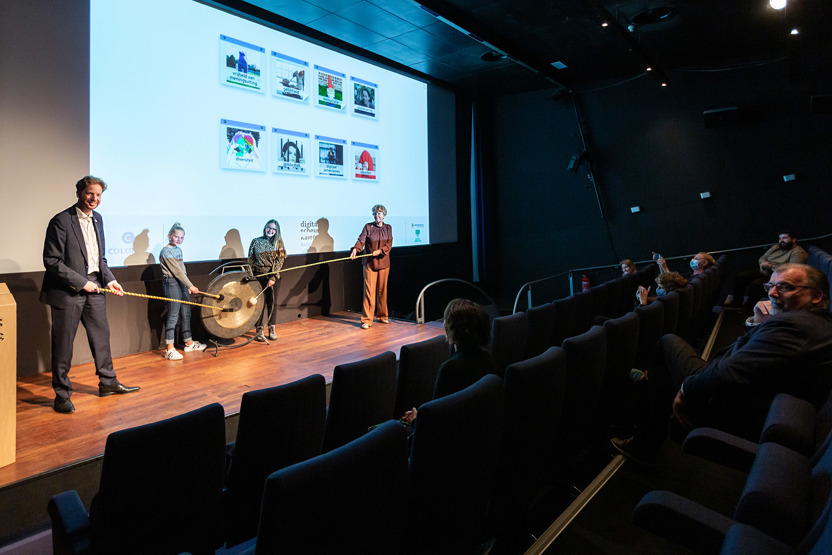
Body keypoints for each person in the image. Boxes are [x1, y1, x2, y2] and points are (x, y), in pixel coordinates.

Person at [612, 263, 832, 466]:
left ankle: (644, 443)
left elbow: (731, 369)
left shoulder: (794, 326)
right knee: (668, 351)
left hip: (732, 401)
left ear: (816, 296)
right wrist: (756, 323)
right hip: (759, 397)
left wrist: (686, 389)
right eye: (770, 286)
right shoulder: (815, 324)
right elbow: (754, 357)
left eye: (785, 287)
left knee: (667, 343)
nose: (772, 293)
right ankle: (651, 387)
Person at [40, 176, 140, 414]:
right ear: (78, 193)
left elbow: (99, 259)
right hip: (67, 291)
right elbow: (51, 261)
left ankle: (108, 383)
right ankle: (61, 395)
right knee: (63, 346)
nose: (94, 199)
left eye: (98, 195)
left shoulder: (98, 219)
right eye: (90, 194)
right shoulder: (61, 221)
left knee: (101, 338)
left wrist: (111, 280)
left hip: (95, 286)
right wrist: (81, 282)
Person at [401, 299, 497, 424]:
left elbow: (436, 420)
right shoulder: (488, 359)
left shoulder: (450, 369)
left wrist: (415, 420)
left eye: (447, 320)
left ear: (453, 328)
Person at [159, 222, 207, 360]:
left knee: (186, 313)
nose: (179, 240)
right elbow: (177, 272)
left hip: (182, 283)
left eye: (181, 238)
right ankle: (170, 349)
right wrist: (190, 285)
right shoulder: (166, 251)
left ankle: (189, 342)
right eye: (176, 237)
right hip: (172, 283)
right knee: (173, 315)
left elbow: (183, 270)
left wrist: (186, 285)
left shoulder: (179, 250)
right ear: (169, 236)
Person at [728, 232, 808, 311]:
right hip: (764, 270)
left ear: (793, 240)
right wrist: (763, 264)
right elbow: (762, 257)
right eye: (780, 238)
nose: (781, 240)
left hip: (778, 276)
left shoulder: (798, 252)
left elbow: (790, 270)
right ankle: (737, 303)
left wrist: (770, 266)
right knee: (740, 277)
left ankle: (748, 308)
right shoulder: (776, 247)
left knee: (756, 285)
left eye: (784, 238)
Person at [350, 204, 392, 329]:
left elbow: (389, 244)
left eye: (379, 213)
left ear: (384, 215)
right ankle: (367, 320)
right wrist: (355, 250)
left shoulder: (388, 228)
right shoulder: (368, 227)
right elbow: (361, 240)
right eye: (375, 213)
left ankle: (382, 316)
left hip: (384, 263)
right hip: (369, 263)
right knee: (369, 292)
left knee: (382, 291)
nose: (376, 215)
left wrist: (380, 251)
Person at [248, 219, 286, 341]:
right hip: (258, 276)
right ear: (265, 227)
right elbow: (250, 259)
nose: (271, 230)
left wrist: (273, 277)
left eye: (274, 229)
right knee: (259, 304)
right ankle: (259, 330)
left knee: (272, 303)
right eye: (269, 228)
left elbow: (279, 262)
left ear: (277, 231)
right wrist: (251, 275)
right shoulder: (256, 241)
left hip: (272, 277)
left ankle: (271, 329)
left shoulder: (278, 242)